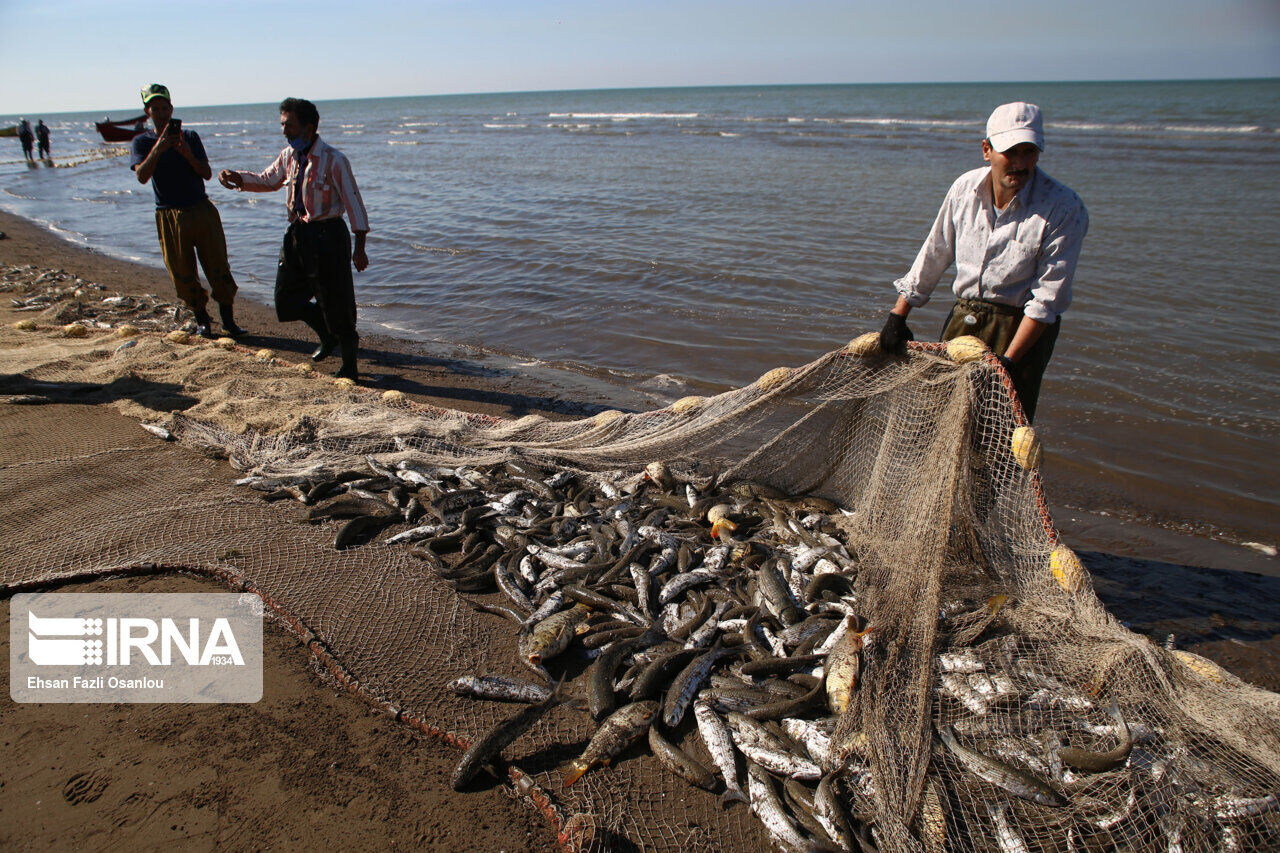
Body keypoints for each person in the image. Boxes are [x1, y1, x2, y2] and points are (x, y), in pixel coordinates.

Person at [878, 102, 1088, 422]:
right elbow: (936, 251)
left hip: (1021, 328)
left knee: (998, 427)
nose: (1020, 163)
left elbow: (1047, 299)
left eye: (1029, 152)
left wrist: (1011, 363)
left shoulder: (1063, 207)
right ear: (986, 150)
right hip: (965, 317)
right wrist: (898, 315)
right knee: (943, 414)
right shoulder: (964, 189)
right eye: (1010, 152)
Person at [218, 98, 369, 381]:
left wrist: (360, 248)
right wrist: (238, 177)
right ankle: (327, 335)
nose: (285, 131)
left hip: (328, 235)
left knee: (337, 302)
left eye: (289, 126)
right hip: (298, 233)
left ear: (309, 128)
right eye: (283, 125)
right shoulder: (289, 155)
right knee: (285, 300)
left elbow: (355, 205)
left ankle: (350, 365)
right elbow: (268, 180)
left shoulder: (334, 160)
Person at [131, 83, 246, 338]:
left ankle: (229, 321)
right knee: (182, 273)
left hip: (200, 209)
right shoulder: (142, 142)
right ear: (147, 112)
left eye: (165, 108)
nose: (161, 113)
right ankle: (202, 320)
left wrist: (187, 154)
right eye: (155, 109)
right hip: (169, 214)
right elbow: (141, 175)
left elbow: (206, 173)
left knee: (218, 266)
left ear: (172, 109)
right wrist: (159, 148)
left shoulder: (190, 137)